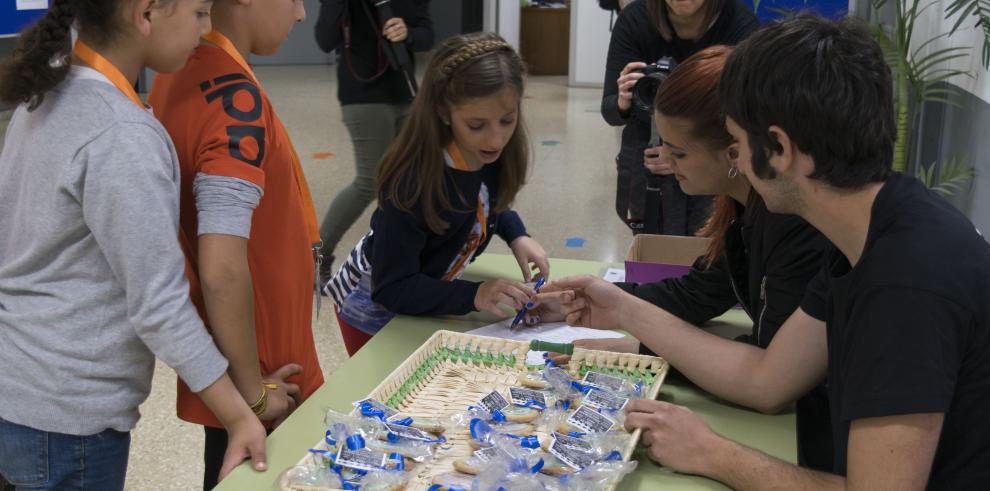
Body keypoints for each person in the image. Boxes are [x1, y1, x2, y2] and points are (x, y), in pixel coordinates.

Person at [539, 14, 990, 488]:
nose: (736, 161)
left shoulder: (905, 284)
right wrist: (622, 307)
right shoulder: (869, 225)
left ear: (777, 148)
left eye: (735, 142)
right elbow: (769, 380)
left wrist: (713, 453)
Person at [0, 1, 269, 489]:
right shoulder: (121, 133)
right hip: (68, 417)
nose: (206, 29)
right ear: (146, 14)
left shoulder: (48, 88)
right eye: (200, 12)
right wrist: (240, 414)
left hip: (17, 385)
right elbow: (159, 305)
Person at [538, 45, 833, 471]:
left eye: (679, 153)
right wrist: (609, 310)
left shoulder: (795, 222)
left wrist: (632, 324)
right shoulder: (745, 208)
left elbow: (771, 376)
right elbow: (699, 293)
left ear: (735, 149)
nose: (666, 163)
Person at [147, 0, 325, 488]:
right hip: (263, 371)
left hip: (241, 357)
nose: (300, 15)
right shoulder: (233, 96)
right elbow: (220, 268)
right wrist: (253, 393)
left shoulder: (180, 69)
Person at [323, 32, 550, 356]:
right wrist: (473, 295)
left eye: (507, 120)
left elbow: (485, 202)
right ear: (444, 112)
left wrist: (517, 234)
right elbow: (392, 287)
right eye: (477, 125)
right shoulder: (413, 183)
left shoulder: (486, 155)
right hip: (370, 311)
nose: (496, 138)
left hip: (423, 291)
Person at [603, 0, 758, 235]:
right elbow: (610, 111)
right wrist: (623, 100)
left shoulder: (739, 22)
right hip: (648, 153)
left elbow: (750, 114)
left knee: (711, 243)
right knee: (654, 245)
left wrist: (680, 154)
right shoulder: (635, 20)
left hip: (714, 151)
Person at [314, 0, 434, 281]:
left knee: (408, 180)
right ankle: (318, 255)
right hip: (363, 96)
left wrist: (409, 33)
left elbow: (427, 35)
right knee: (370, 182)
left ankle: (403, 257)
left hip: (404, 92)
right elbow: (324, 39)